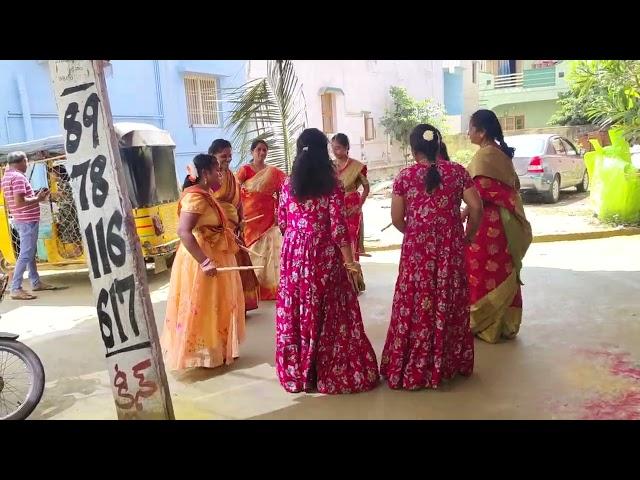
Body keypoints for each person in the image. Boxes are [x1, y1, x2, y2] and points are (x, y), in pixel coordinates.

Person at [380, 124, 483, 390]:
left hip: (417, 251)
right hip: (450, 248)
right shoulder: (458, 172)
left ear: (414, 150)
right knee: (448, 299)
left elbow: (396, 219)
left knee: (415, 302)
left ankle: (414, 364)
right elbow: (476, 206)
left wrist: (415, 231)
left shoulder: (404, 177)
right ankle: (446, 363)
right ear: (439, 146)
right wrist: (467, 236)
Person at [276, 128, 379, 394]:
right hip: (325, 255)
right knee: (330, 311)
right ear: (324, 152)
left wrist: (299, 241)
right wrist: (350, 265)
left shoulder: (287, 184)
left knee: (298, 308)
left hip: (295, 256)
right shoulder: (332, 185)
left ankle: (303, 372)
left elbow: (283, 224)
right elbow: (338, 230)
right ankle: (327, 370)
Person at [161, 154, 245, 370]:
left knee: (217, 303)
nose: (221, 173)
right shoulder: (196, 197)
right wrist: (205, 262)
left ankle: (216, 349)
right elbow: (184, 231)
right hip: (201, 257)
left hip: (215, 252)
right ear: (205, 174)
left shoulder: (205, 194)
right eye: (217, 170)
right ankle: (203, 353)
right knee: (205, 304)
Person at [464, 109, 532, 343]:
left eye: (471, 128)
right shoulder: (500, 153)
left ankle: (484, 324)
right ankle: (503, 323)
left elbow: (480, 192)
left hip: (487, 223)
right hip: (505, 224)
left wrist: (464, 211)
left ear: (481, 132)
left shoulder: (485, 156)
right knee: (502, 269)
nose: (468, 132)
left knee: (482, 270)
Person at [208, 139, 260, 312]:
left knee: (238, 265)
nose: (228, 159)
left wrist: (241, 219)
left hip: (234, 228)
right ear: (213, 155)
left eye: (230, 155)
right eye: (224, 156)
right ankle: (224, 308)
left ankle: (238, 306)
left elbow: (238, 201)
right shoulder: (208, 177)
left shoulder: (231, 176)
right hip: (214, 231)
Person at [1, 151, 59, 300]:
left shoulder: (7, 176)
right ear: (21, 161)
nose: (27, 164)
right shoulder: (19, 177)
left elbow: (17, 198)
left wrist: (35, 194)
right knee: (26, 253)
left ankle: (35, 281)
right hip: (27, 219)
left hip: (21, 219)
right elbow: (20, 202)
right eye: (26, 161)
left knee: (30, 252)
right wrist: (38, 199)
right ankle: (16, 288)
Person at [236, 140, 287, 300]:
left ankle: (270, 289)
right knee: (253, 251)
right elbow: (235, 190)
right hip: (249, 217)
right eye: (258, 149)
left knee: (270, 251)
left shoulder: (273, 172)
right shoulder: (245, 170)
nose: (262, 153)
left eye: (265, 150)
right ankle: (253, 287)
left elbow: (284, 189)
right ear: (252, 152)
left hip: (268, 216)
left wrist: (280, 211)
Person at [331, 133, 369, 292]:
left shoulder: (357, 166)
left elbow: (366, 187)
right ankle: (341, 281)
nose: (335, 151)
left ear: (346, 148)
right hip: (335, 206)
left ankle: (354, 281)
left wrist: (359, 206)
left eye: (338, 148)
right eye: (333, 148)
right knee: (337, 242)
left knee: (350, 241)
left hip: (352, 207)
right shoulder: (330, 166)